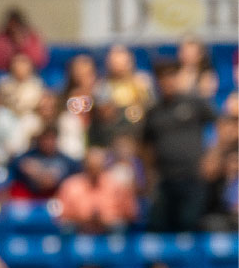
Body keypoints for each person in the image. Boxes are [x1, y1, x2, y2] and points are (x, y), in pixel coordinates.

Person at [142, 61, 218, 232]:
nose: (167, 81)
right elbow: (145, 145)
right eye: (163, 77)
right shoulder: (153, 111)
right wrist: (149, 174)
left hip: (193, 177)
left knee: (188, 225)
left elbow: (219, 125)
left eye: (171, 76)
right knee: (159, 227)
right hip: (164, 180)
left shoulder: (195, 103)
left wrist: (213, 156)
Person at [57, 146, 138, 233]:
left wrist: (107, 219)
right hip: (78, 230)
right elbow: (60, 215)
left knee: (119, 227)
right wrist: (83, 219)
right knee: (67, 229)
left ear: (104, 166)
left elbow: (131, 214)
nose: (94, 172)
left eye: (97, 167)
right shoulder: (70, 185)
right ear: (84, 166)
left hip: (110, 231)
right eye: (91, 168)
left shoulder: (117, 185)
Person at [0, 7, 48, 72]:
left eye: (17, 25)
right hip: (4, 74)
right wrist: (8, 55)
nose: (14, 28)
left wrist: (22, 45)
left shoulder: (32, 37)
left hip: (30, 75)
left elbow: (40, 60)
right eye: (11, 25)